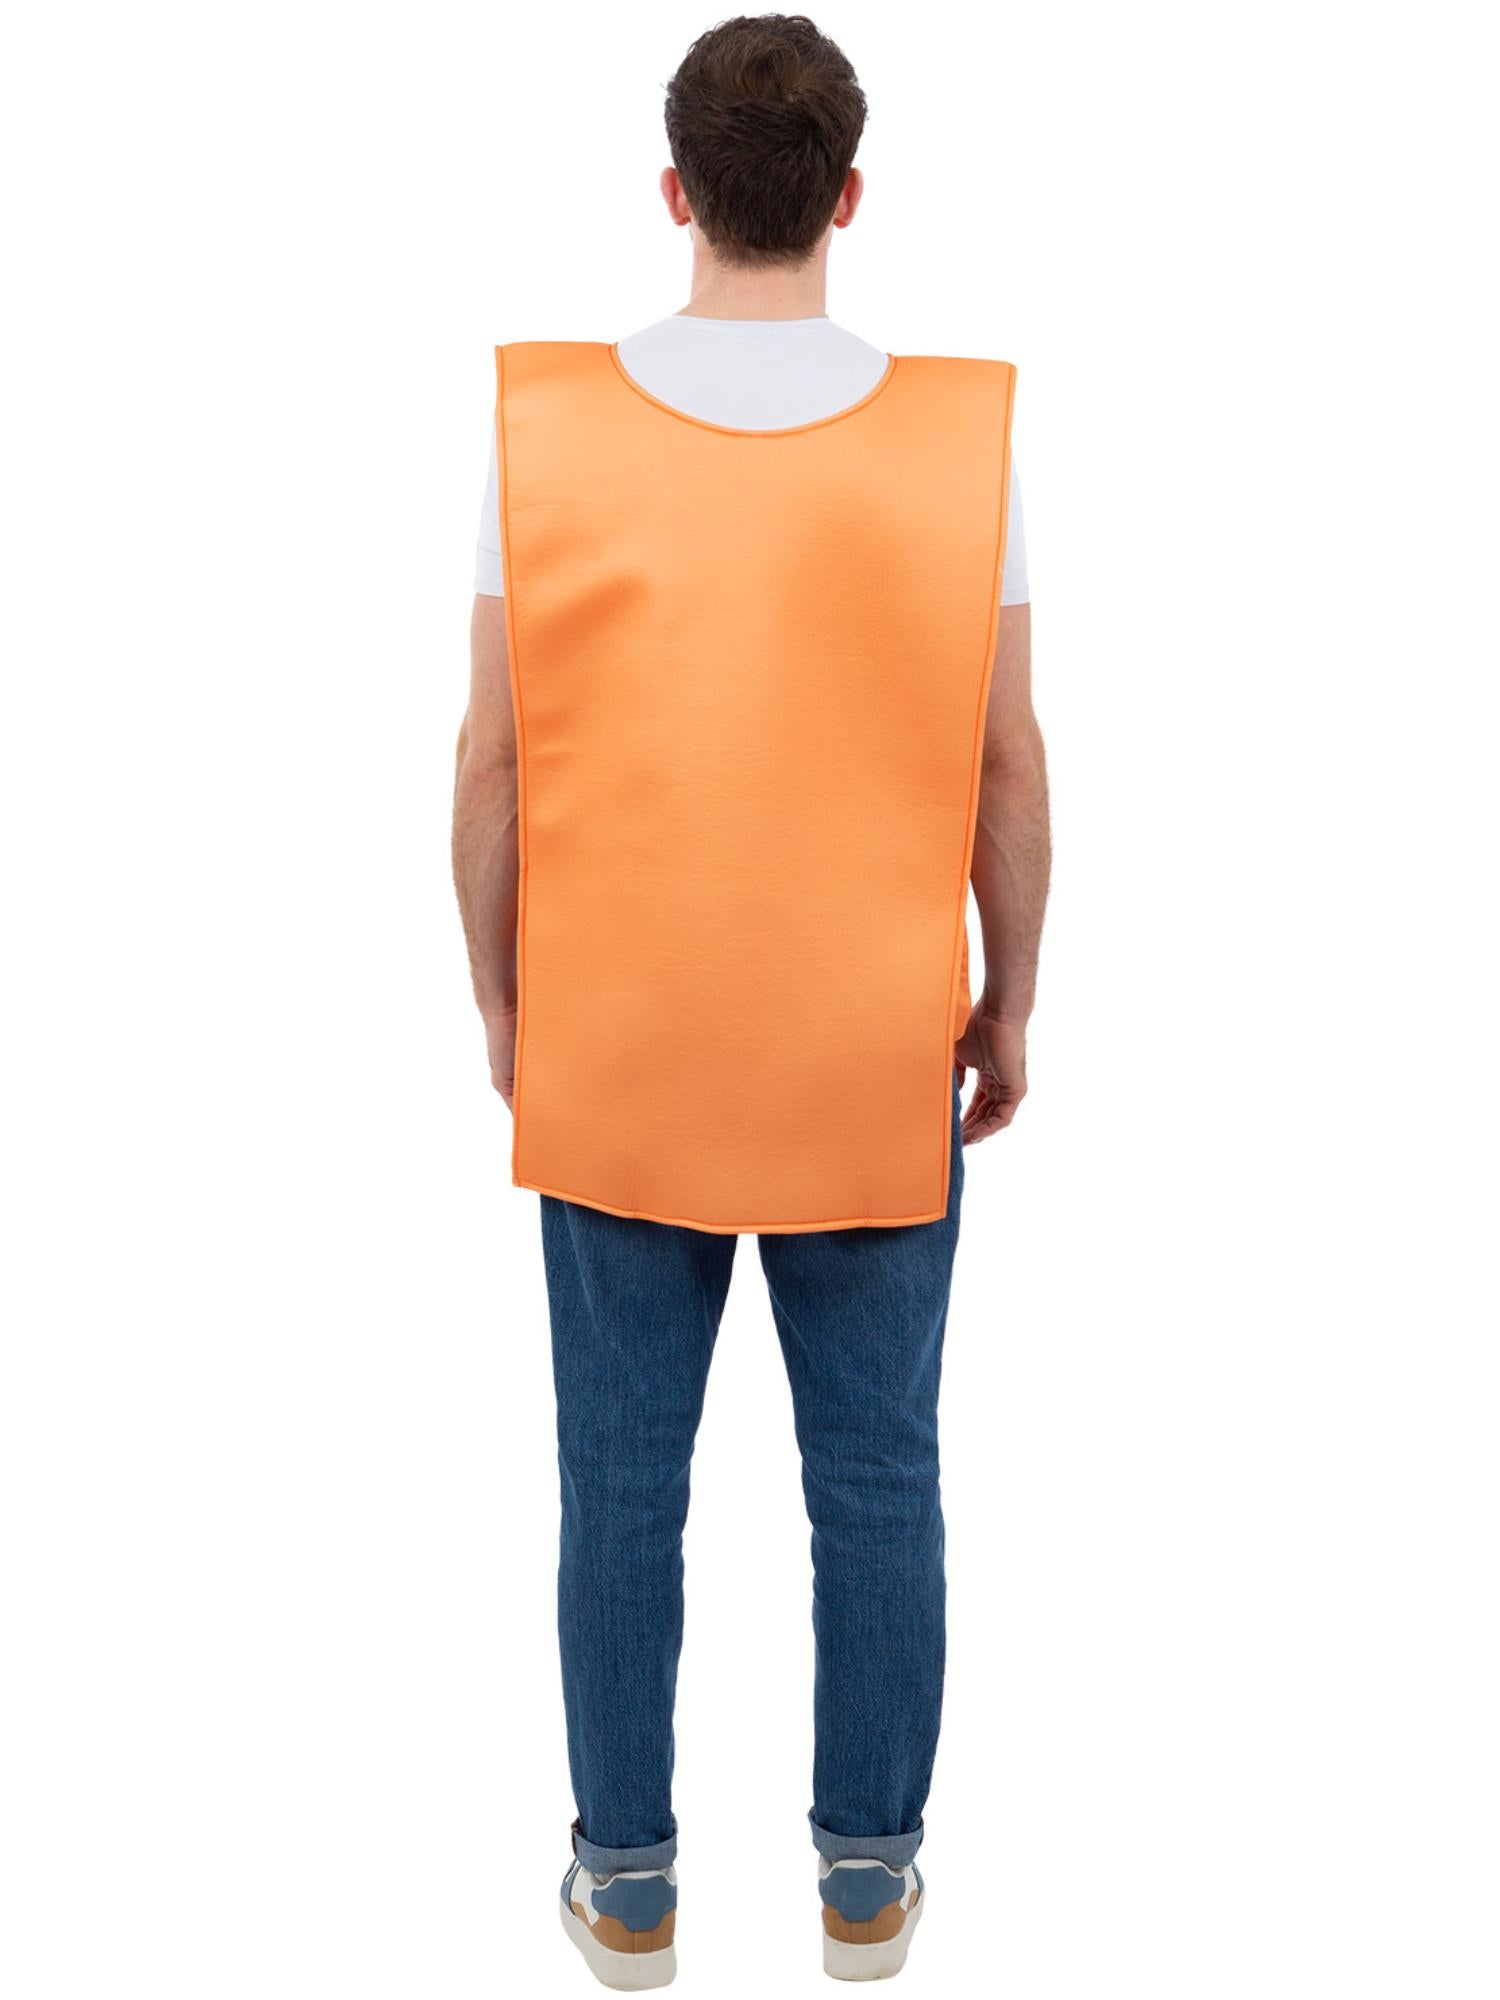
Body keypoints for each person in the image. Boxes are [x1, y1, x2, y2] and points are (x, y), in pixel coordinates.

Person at [452, 15, 1050, 1987]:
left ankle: (626, 1887)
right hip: (868, 1044)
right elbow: (1005, 765)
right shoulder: (961, 436)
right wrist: (1008, 1003)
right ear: (847, 196)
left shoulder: (544, 426)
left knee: (619, 1486)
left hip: (622, 1036)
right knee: (877, 1477)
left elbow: (493, 767)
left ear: (675, 191)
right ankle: (867, 1882)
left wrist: (503, 1005)